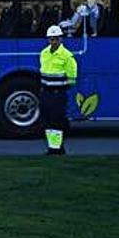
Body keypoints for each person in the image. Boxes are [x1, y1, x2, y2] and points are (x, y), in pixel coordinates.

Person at [39, 25, 77, 155]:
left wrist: (61, 87)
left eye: (56, 39)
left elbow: (72, 77)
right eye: (51, 39)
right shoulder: (44, 53)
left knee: (56, 121)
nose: (53, 41)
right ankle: (53, 146)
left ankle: (57, 149)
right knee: (46, 121)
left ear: (61, 39)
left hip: (58, 94)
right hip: (45, 92)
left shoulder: (67, 56)